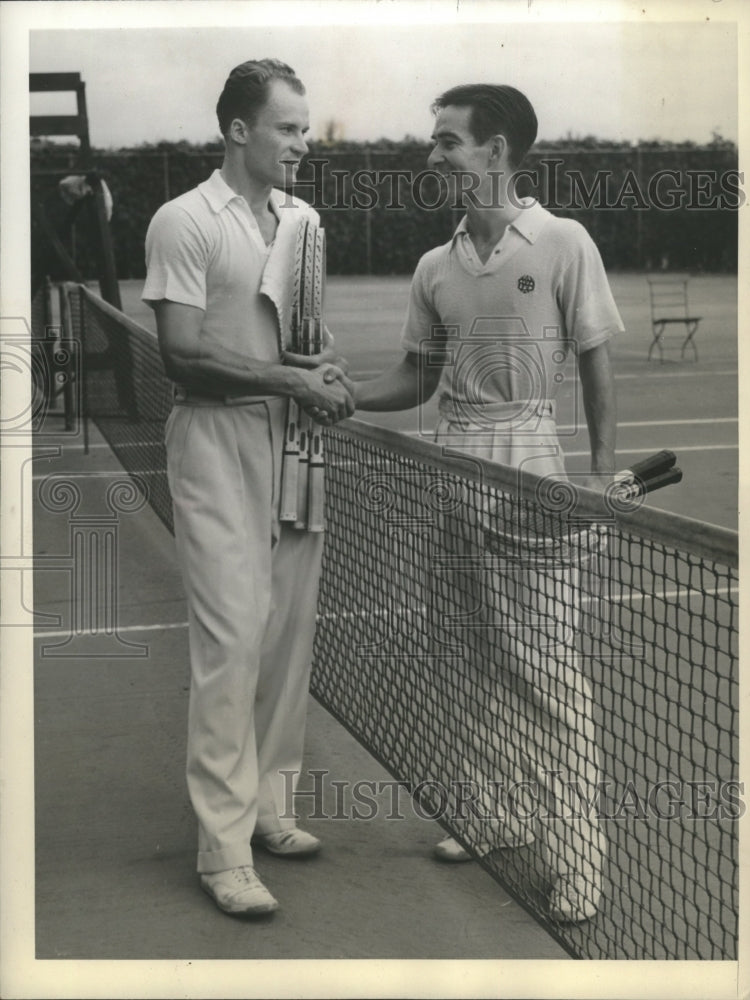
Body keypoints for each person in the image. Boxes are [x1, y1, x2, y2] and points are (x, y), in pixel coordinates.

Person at [353, 83, 623, 923]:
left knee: (543, 671)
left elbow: (594, 364)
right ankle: (494, 813)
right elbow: (419, 377)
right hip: (451, 462)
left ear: (496, 151)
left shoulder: (563, 241)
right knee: (459, 653)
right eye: (434, 141)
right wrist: (343, 395)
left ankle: (578, 855)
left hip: (528, 460)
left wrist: (601, 479)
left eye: (446, 142)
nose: (431, 155)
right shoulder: (435, 265)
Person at [142, 59, 354, 918]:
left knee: (286, 635)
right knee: (231, 641)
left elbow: (300, 336)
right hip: (215, 441)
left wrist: (319, 366)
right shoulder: (182, 220)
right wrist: (288, 381)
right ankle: (223, 850)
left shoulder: (303, 221)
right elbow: (182, 354)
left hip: (294, 440)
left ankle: (271, 808)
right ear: (238, 129)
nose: (303, 143)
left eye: (306, 128)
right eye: (288, 127)